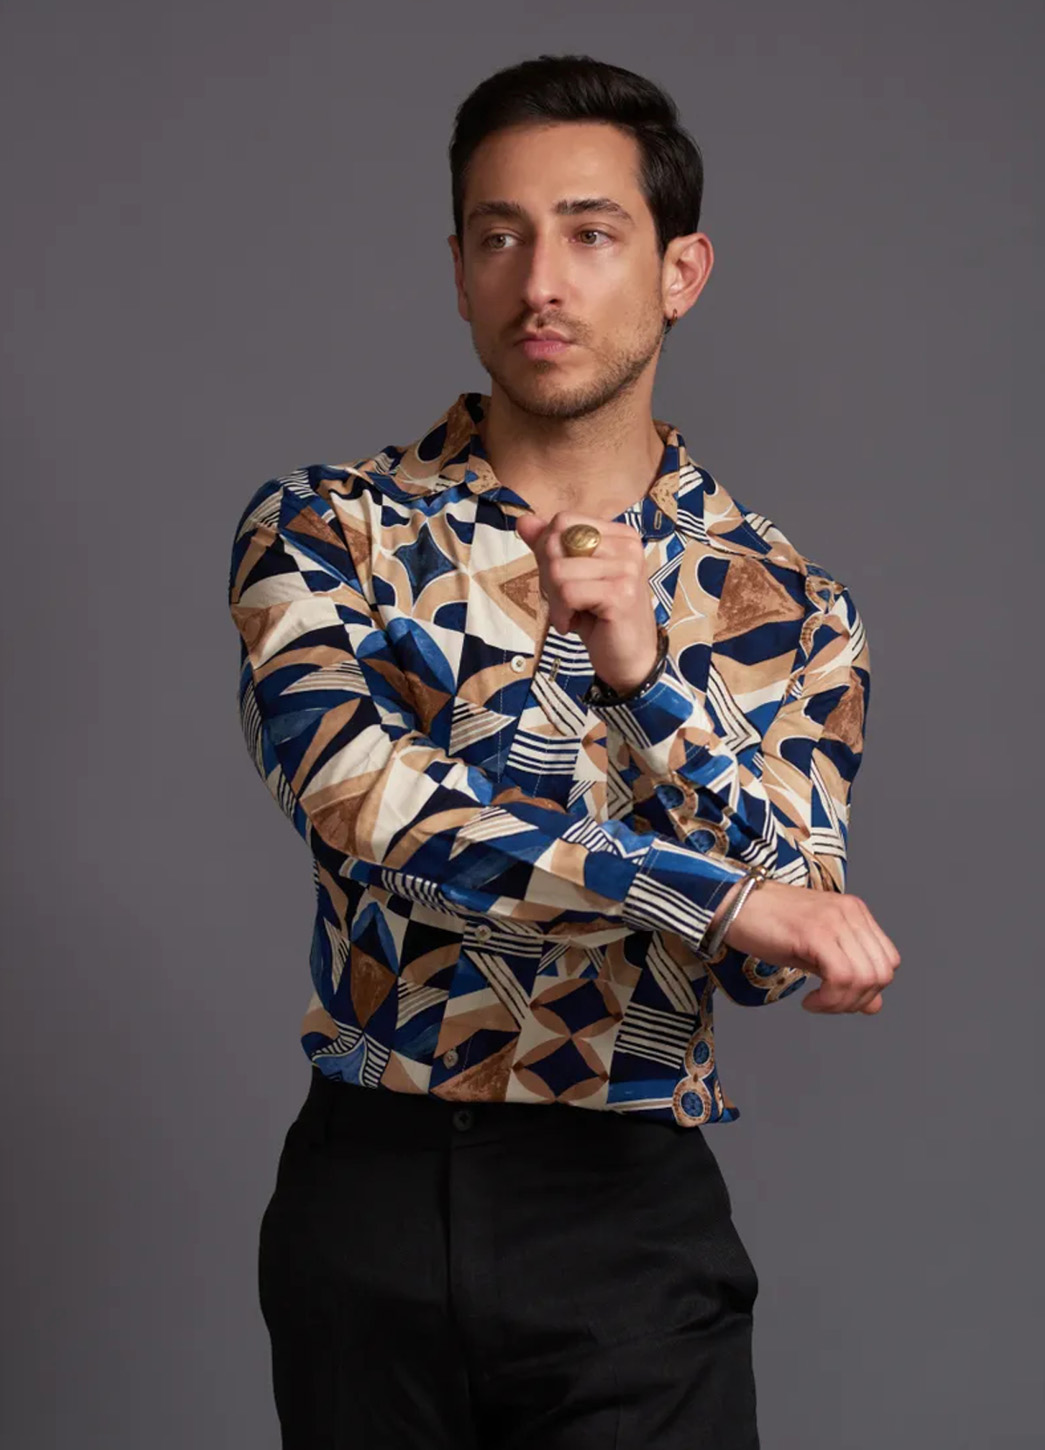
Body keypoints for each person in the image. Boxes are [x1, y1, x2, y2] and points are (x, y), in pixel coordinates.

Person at [228, 52, 900, 1450]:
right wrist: (712, 895)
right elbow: (369, 806)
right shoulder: (328, 529)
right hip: (371, 1196)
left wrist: (649, 682)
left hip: (626, 1218)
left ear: (679, 270)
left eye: (591, 234)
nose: (540, 280)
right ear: (459, 270)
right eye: (500, 236)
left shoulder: (788, 608)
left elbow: (784, 953)